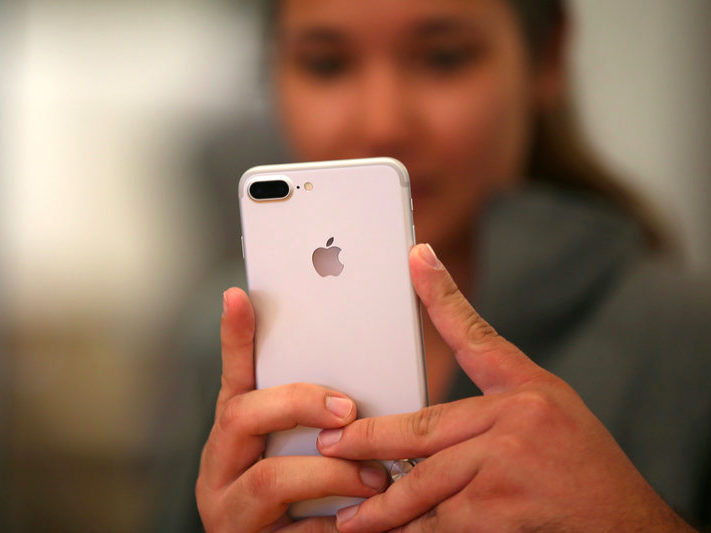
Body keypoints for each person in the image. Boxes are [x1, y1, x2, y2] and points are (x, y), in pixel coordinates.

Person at [189, 0, 711, 531]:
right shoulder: (228, 340)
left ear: (546, 58)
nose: (383, 124)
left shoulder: (685, 335)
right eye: (327, 64)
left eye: (443, 58)